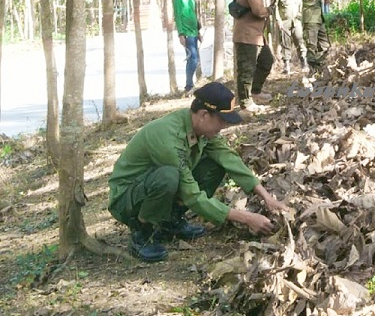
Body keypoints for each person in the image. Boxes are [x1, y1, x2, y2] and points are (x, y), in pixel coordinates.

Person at [107, 82, 289, 262]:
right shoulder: (168, 137)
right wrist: (246, 218)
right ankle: (142, 231)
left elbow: (228, 158)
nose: (224, 126)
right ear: (204, 115)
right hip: (127, 199)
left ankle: (171, 220)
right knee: (168, 177)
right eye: (222, 120)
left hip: (152, 189)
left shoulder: (200, 128)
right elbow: (191, 194)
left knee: (215, 164)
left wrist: (267, 197)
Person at [233, 0, 275, 110]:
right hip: (247, 37)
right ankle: (245, 102)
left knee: (266, 61)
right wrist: (269, 10)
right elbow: (258, 11)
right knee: (247, 70)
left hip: (255, 36)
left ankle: (255, 91)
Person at [301, 0, 333, 68]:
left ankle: (321, 67)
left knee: (325, 45)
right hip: (310, 18)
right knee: (311, 46)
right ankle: (312, 70)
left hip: (319, 18)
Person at [174, 0, 202, 93]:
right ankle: (189, 86)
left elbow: (193, 15)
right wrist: (181, 34)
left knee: (193, 59)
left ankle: (189, 85)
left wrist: (198, 31)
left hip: (194, 32)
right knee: (193, 59)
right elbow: (177, 16)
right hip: (186, 33)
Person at [276, 0, 309, 75]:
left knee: (300, 41)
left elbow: (301, 5)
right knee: (285, 43)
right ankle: (286, 65)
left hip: (296, 21)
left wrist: (301, 17)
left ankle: (304, 63)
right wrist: (278, 20)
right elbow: (275, 7)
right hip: (285, 21)